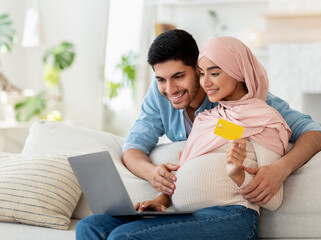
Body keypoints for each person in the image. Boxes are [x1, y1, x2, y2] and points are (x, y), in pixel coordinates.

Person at [76, 36, 292, 239]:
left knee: (122, 237)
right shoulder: (211, 120)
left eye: (214, 73)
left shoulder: (264, 119)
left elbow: (273, 200)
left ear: (238, 72)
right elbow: (194, 161)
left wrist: (237, 174)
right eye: (202, 73)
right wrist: (161, 200)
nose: (206, 82)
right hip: (188, 216)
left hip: (234, 216)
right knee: (91, 225)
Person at [122, 29, 321, 204]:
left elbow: (316, 133)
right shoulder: (159, 96)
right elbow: (132, 147)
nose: (170, 89)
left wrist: (280, 169)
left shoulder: (250, 101)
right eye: (161, 79)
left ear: (198, 68)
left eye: (179, 76)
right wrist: (152, 174)